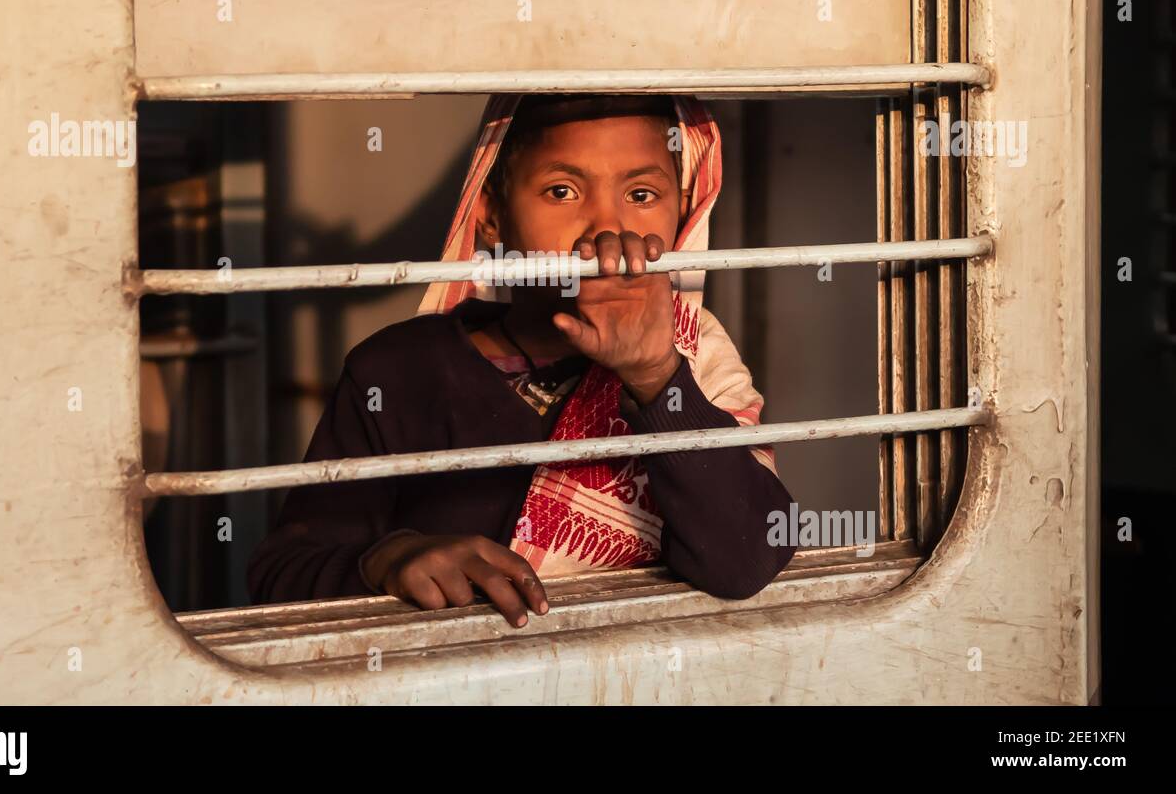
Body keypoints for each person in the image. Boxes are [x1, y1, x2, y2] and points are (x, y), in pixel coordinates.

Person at [246, 93, 796, 627]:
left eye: (642, 195)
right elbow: (282, 575)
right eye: (561, 191)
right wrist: (390, 558)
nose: (607, 231)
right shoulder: (395, 371)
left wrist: (655, 375)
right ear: (489, 214)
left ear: (683, 208)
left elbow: (745, 562)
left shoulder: (694, 357)